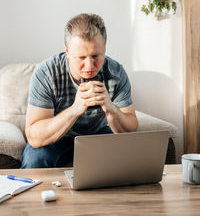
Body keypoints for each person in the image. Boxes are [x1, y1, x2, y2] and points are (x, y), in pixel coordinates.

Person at [22, 13, 138, 168]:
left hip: (99, 135)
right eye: (81, 57)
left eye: (96, 56)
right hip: (58, 137)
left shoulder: (116, 72)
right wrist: (75, 110)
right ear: (67, 51)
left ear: (104, 48)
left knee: (131, 158)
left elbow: (131, 129)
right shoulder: (47, 73)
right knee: (34, 160)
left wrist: (111, 109)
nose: (90, 66)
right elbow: (34, 136)